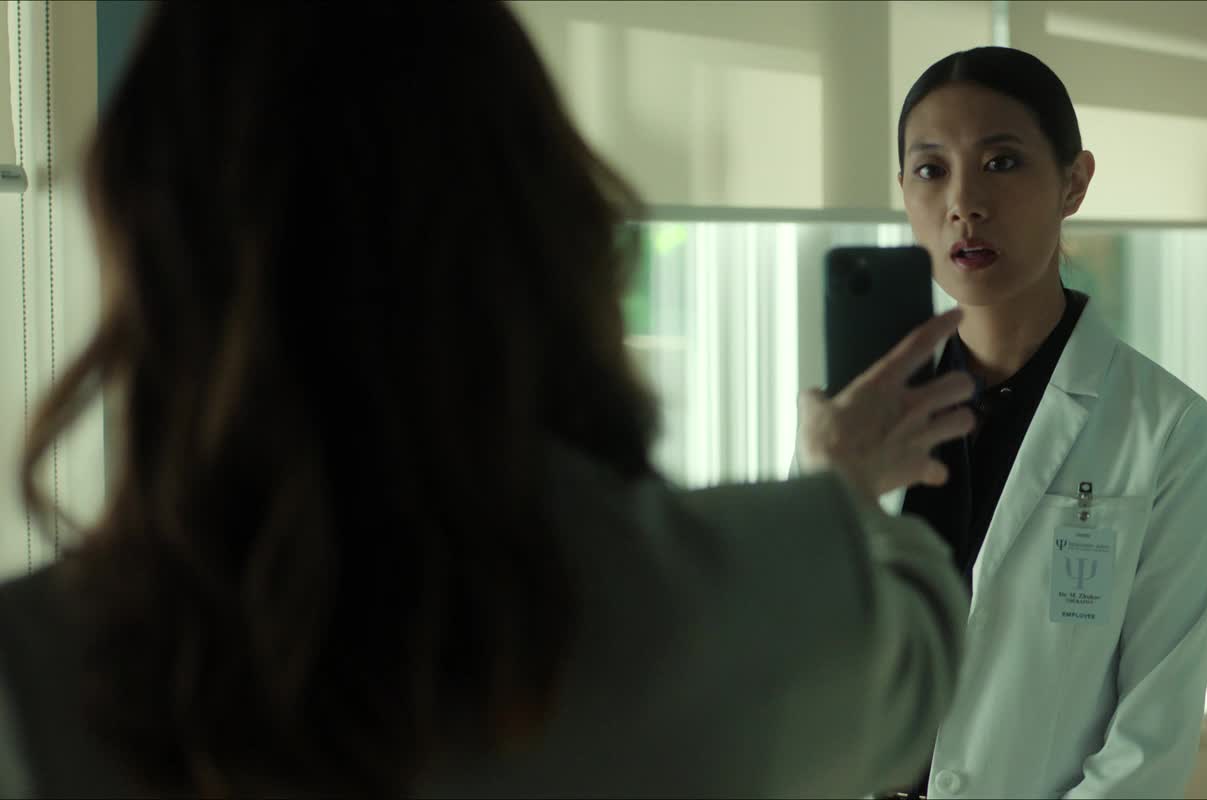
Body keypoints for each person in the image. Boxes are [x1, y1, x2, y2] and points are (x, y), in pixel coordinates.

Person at [0, 4, 978, 797]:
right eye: (929, 168)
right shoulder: (770, 602)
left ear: (146, 256)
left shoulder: (34, 679)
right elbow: (925, 649)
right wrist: (842, 488)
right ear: (552, 224)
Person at [843, 46, 1207, 798]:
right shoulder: (857, 425)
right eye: (931, 170)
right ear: (904, 193)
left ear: (1073, 182)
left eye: (1001, 162)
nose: (964, 203)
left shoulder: (1167, 431)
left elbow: (1150, 741)